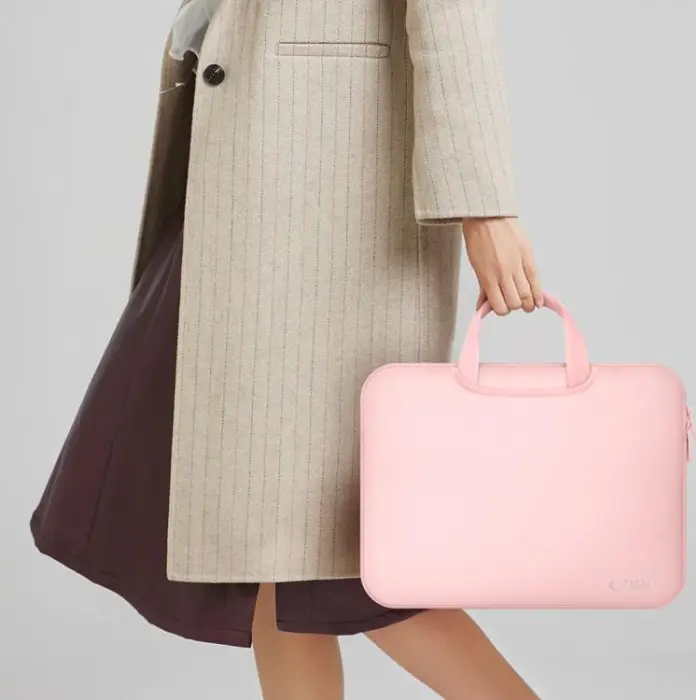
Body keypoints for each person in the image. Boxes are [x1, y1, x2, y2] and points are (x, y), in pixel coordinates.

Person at [30, 1, 542, 698]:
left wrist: (485, 206)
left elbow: (455, 15)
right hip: (243, 185)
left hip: (333, 203)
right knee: (275, 544)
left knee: (352, 556)